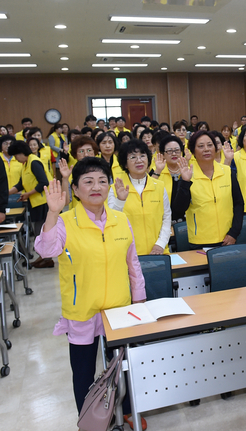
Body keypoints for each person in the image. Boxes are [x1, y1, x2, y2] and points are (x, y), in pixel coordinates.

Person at [34, 158, 148, 431]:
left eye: (102, 181)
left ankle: (128, 411)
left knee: (122, 366)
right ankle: (89, 420)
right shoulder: (64, 222)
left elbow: (132, 263)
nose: (96, 187)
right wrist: (52, 213)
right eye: (88, 181)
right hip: (82, 310)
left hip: (118, 309)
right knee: (83, 372)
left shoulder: (121, 220)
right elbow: (45, 251)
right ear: (75, 189)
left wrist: (139, 298)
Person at [172, 130, 244, 249]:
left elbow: (238, 204)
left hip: (227, 239)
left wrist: (234, 233)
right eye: (200, 146)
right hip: (200, 241)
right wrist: (185, 182)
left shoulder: (227, 172)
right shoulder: (187, 175)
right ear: (193, 150)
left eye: (210, 145)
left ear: (216, 148)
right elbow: (178, 209)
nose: (206, 149)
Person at [109, 140, 171, 255]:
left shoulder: (159, 186)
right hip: (128, 253)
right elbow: (111, 221)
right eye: (133, 157)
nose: (139, 160)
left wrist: (160, 244)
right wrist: (120, 201)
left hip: (158, 252)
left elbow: (166, 217)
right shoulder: (115, 188)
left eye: (142, 156)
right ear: (125, 164)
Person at [8, 140, 50, 265]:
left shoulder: (34, 162)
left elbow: (44, 182)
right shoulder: (25, 164)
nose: (16, 159)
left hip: (42, 202)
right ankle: (44, 257)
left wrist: (28, 194)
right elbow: (21, 184)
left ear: (21, 153)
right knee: (38, 232)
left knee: (41, 231)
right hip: (35, 203)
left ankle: (46, 258)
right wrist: (6, 193)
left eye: (16, 156)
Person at [58, 136, 99, 210]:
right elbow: (65, 202)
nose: (86, 154)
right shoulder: (71, 174)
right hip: (78, 215)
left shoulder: (102, 171)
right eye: (81, 151)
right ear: (75, 155)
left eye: (89, 150)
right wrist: (65, 178)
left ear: (94, 152)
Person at [151, 135, 185, 207]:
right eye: (169, 151)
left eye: (177, 150)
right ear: (163, 154)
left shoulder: (188, 170)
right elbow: (149, 189)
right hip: (163, 214)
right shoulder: (156, 170)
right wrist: (158, 171)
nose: (174, 154)